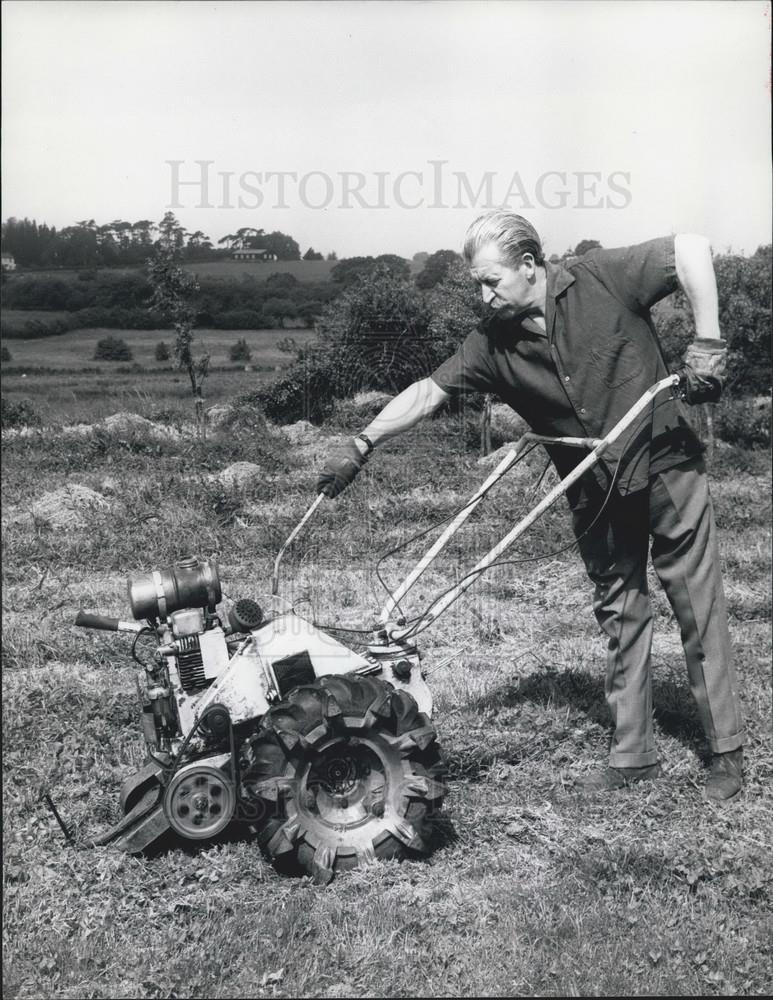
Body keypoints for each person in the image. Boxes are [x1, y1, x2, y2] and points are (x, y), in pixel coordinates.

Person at [316, 211, 745, 802]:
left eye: (491, 280)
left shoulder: (604, 277)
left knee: (696, 607)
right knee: (621, 611)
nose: (482, 293)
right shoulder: (492, 342)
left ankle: (726, 750)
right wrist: (362, 442)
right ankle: (634, 755)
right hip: (594, 489)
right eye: (475, 282)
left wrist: (707, 342)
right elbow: (428, 393)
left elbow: (694, 245)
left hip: (665, 463)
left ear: (529, 265)